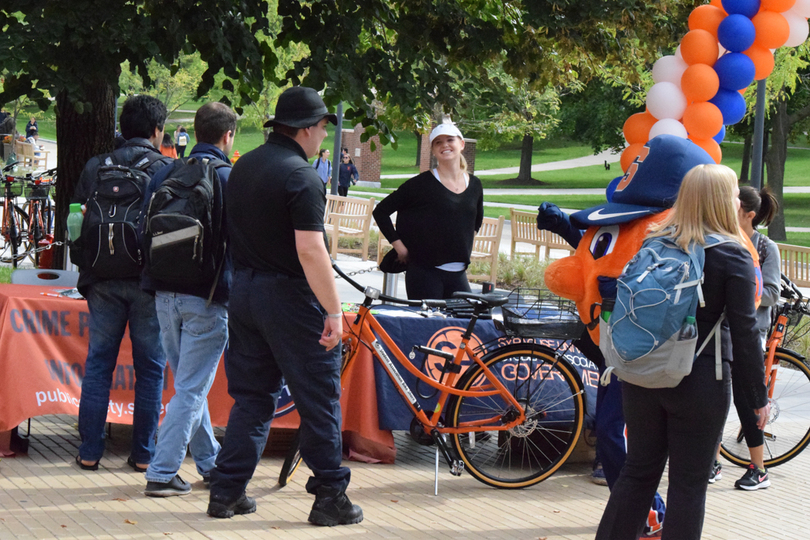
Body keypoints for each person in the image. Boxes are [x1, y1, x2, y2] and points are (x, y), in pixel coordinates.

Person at [207, 86, 363, 526]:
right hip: (292, 300)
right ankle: (330, 495)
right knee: (318, 399)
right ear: (308, 128)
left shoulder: (245, 166)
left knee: (252, 399)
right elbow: (312, 251)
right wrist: (334, 312)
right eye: (321, 129)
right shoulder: (301, 176)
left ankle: (226, 491)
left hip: (246, 293)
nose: (322, 138)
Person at [595, 164, 770, 540]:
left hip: (643, 374)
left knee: (638, 473)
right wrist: (756, 399)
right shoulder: (732, 254)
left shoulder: (654, 241)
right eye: (734, 193)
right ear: (724, 201)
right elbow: (745, 333)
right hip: (701, 381)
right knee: (688, 486)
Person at [72, 95, 173, 472]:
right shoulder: (165, 167)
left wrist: (86, 266)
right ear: (156, 130)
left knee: (99, 364)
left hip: (101, 280)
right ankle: (144, 455)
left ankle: (89, 452)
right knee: (151, 367)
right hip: (148, 281)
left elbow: (76, 220)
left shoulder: (96, 166)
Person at [141, 102, 237, 497]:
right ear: (227, 136)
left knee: (187, 385)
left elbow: (140, 230)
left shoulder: (166, 172)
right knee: (192, 389)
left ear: (194, 132)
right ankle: (161, 473)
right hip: (208, 298)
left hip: (164, 293)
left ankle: (210, 463)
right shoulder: (230, 177)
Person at [709, 185, 781, 490]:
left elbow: (772, 293)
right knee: (715, 398)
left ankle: (759, 468)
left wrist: (741, 294)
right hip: (720, 331)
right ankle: (712, 462)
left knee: (745, 399)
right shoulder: (723, 241)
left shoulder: (766, 248)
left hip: (750, 331)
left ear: (749, 215)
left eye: (733, 207)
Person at [373, 122, 483, 300]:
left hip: (458, 273)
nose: (444, 145)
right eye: (438, 142)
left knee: (464, 325)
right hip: (424, 273)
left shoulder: (475, 184)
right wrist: (400, 248)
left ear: (461, 144)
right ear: (433, 150)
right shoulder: (420, 184)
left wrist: (460, 241)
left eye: (450, 140)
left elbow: (477, 219)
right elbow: (381, 211)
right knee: (427, 327)